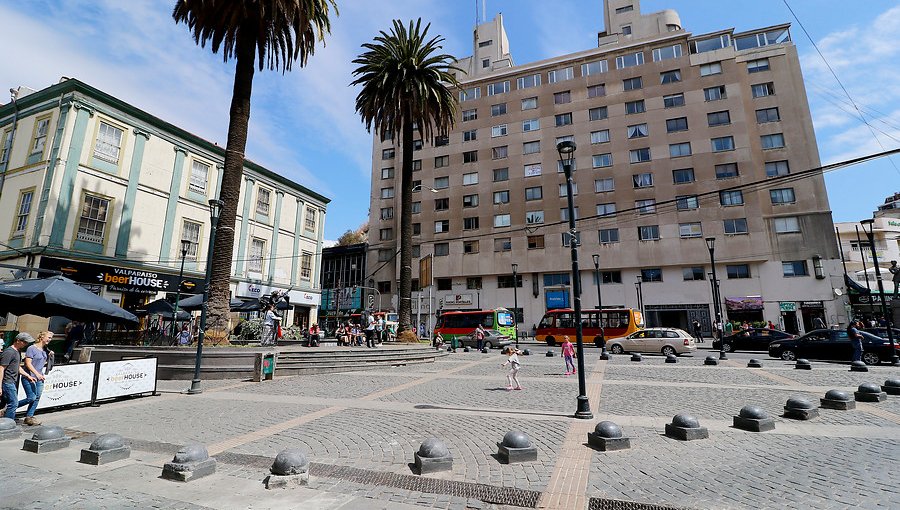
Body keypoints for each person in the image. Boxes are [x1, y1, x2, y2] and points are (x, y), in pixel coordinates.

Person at [0, 333, 37, 421]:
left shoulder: (17, 351)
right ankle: (8, 424)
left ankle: (6, 422)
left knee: (8, 403)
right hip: (7, 382)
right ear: (18, 341)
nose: (26, 344)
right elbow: (1, 369)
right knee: (13, 403)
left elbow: (17, 367)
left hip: (11, 381)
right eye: (25, 342)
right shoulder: (9, 352)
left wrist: (28, 375)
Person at [22, 331, 52, 426]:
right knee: (31, 397)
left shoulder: (45, 350)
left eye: (51, 338)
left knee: (37, 397)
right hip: (29, 376)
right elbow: (28, 363)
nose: (49, 339)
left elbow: (43, 363)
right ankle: (9, 409)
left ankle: (29, 417)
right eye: (48, 337)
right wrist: (36, 374)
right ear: (42, 337)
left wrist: (50, 355)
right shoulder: (31, 348)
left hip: (39, 376)